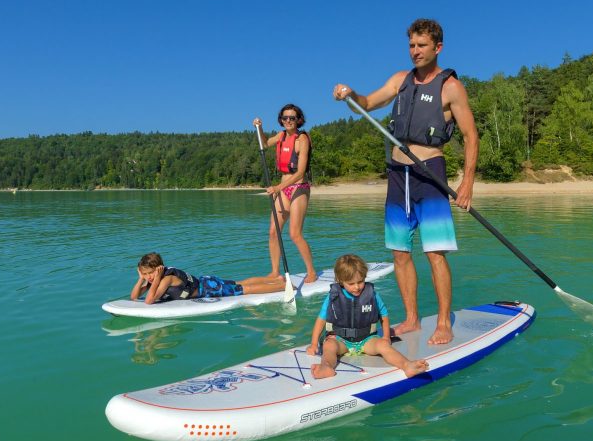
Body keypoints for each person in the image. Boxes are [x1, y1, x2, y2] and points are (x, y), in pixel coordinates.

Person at [333, 18, 479, 345]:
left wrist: (467, 182)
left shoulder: (451, 87)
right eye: (411, 45)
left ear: (438, 47)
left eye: (422, 45)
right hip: (398, 175)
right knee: (400, 252)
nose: (415, 51)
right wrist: (350, 94)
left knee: (435, 253)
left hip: (430, 174)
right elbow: (366, 104)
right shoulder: (400, 80)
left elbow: (471, 136)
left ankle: (443, 322)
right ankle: (412, 319)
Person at [306, 254, 429, 379]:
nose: (357, 287)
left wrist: (386, 337)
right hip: (341, 340)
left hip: (367, 340)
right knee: (329, 346)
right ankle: (326, 367)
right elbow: (321, 320)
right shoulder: (333, 297)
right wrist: (314, 344)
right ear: (340, 281)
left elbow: (384, 315)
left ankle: (406, 365)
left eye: (360, 282)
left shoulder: (372, 294)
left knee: (383, 346)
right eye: (351, 283)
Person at [252, 104, 318, 283]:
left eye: (292, 118)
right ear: (281, 120)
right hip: (283, 188)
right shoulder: (281, 136)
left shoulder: (302, 139)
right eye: (285, 118)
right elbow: (265, 143)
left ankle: (311, 272)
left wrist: (277, 188)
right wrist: (259, 128)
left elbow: (300, 172)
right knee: (273, 232)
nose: (288, 121)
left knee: (294, 234)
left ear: (298, 120)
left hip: (299, 188)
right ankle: (275, 272)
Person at [129, 252, 287, 304]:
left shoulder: (165, 279)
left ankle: (282, 286)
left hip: (209, 288)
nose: (148, 277)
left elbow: (149, 301)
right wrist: (141, 279)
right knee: (239, 283)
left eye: (150, 273)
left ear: (159, 269)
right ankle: (277, 280)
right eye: (145, 273)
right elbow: (134, 297)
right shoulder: (153, 280)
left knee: (244, 289)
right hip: (206, 281)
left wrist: (155, 278)